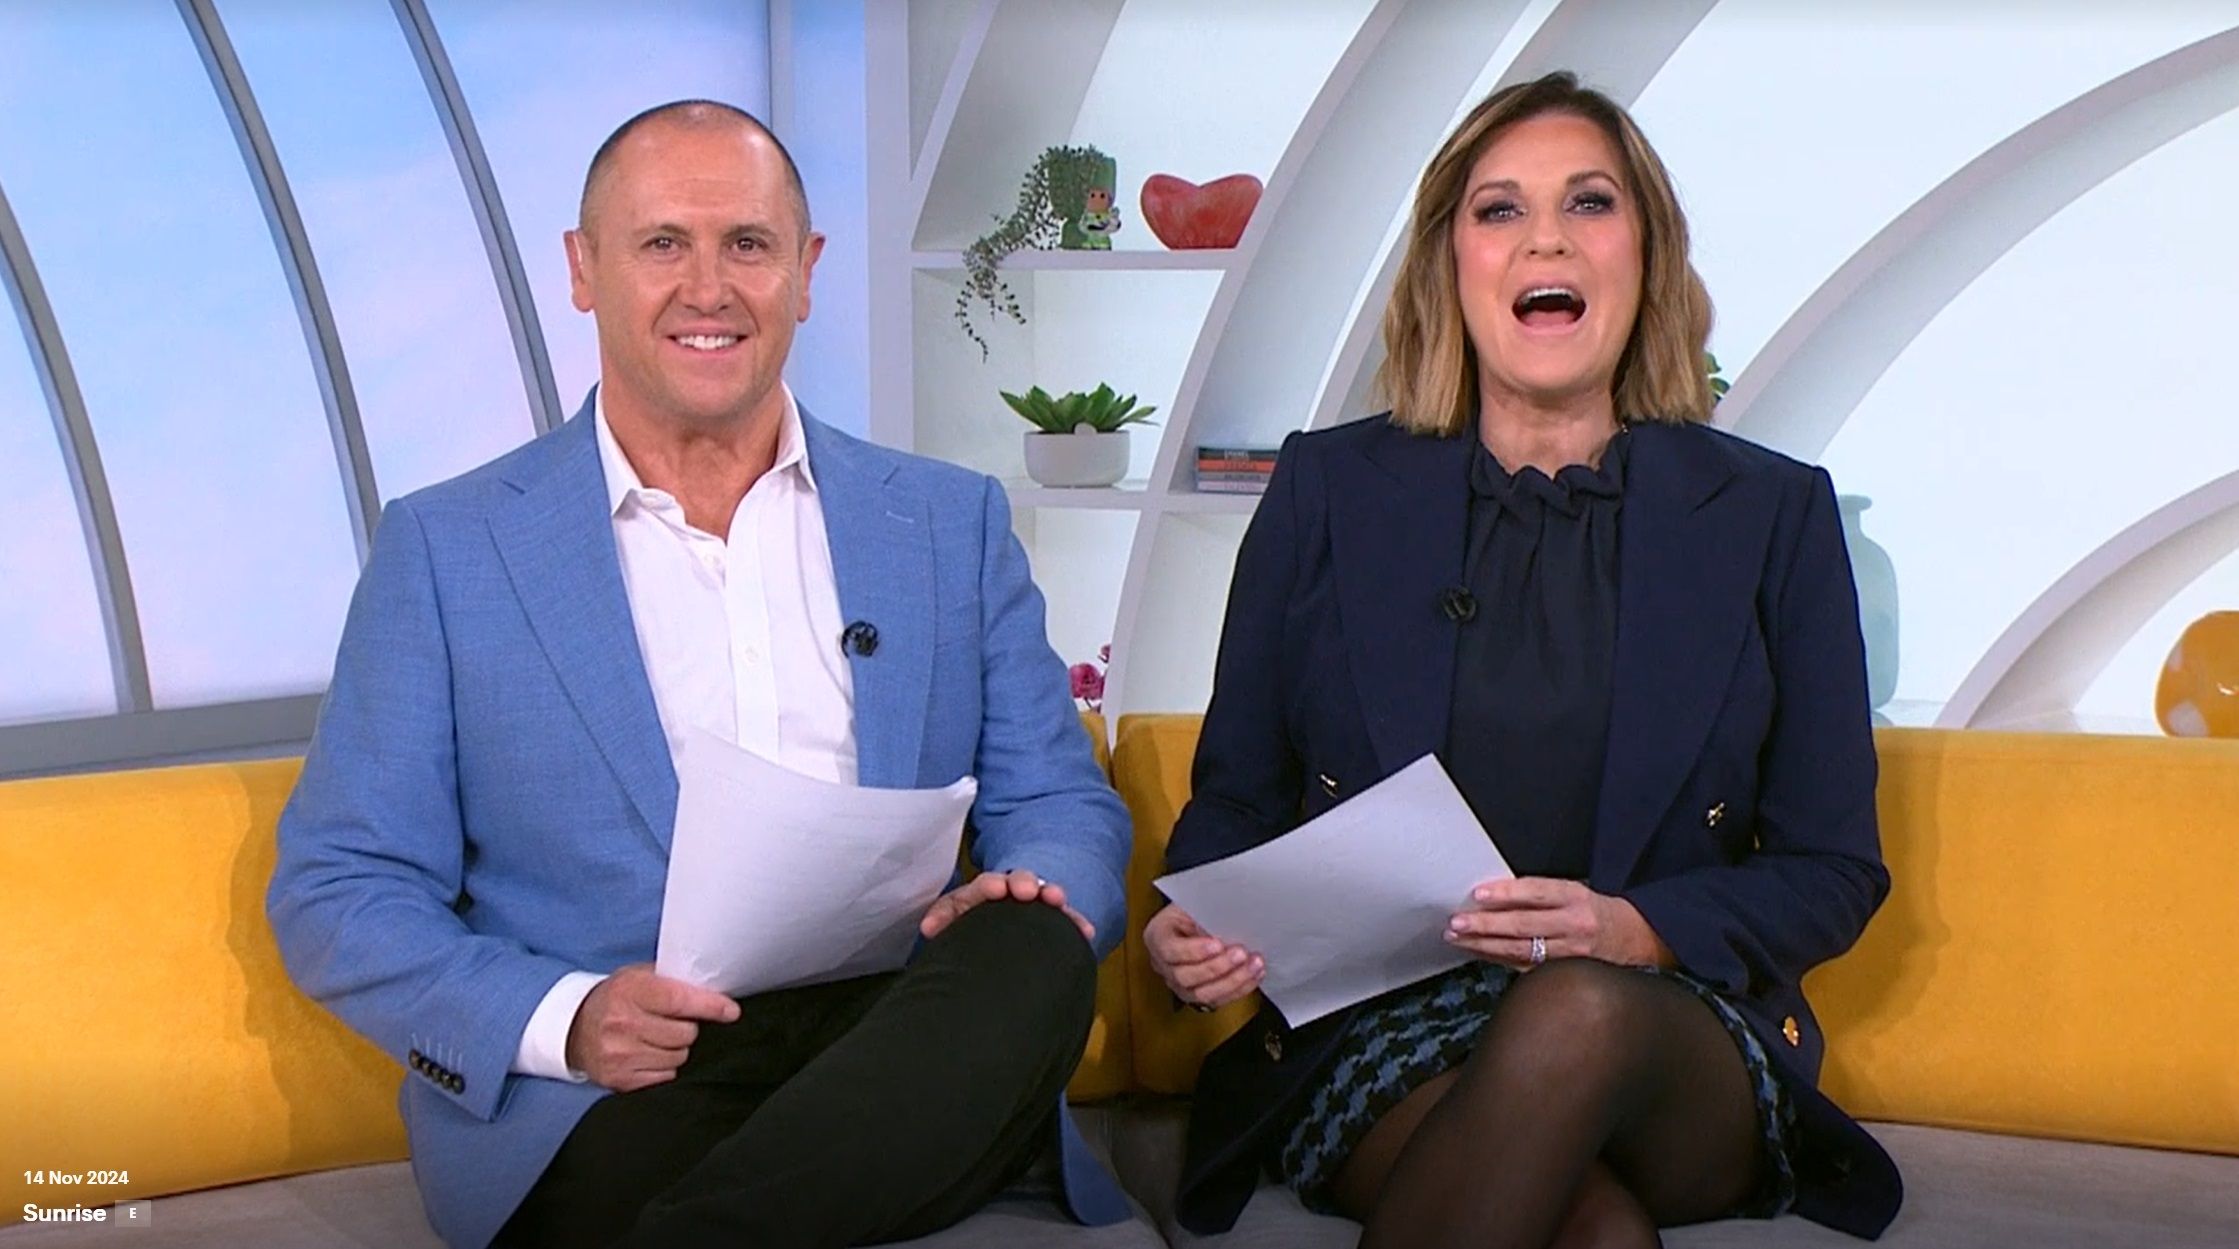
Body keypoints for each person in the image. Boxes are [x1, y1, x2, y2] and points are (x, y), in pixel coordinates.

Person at [268, 100, 1133, 1249]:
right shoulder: (447, 549)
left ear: (806, 273)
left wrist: (1027, 882)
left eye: (748, 244)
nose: (708, 288)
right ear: (583, 270)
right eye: (663, 243)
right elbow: (340, 887)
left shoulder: (946, 522)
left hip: (900, 1031)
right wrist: (572, 1018)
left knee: (1033, 943)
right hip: (627, 1085)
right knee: (668, 1162)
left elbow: (1060, 801)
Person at [1143, 71, 1902, 1248]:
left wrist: (1631, 929)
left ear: (1647, 256)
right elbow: (1238, 793)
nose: (1545, 237)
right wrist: (1190, 918)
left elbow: (1832, 867)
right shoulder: (1327, 491)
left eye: (1587, 203)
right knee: (1592, 1231)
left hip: (1669, 1020)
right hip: (1393, 1029)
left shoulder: (1772, 514)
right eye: (1499, 209)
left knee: (1575, 1010)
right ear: (1450, 265)